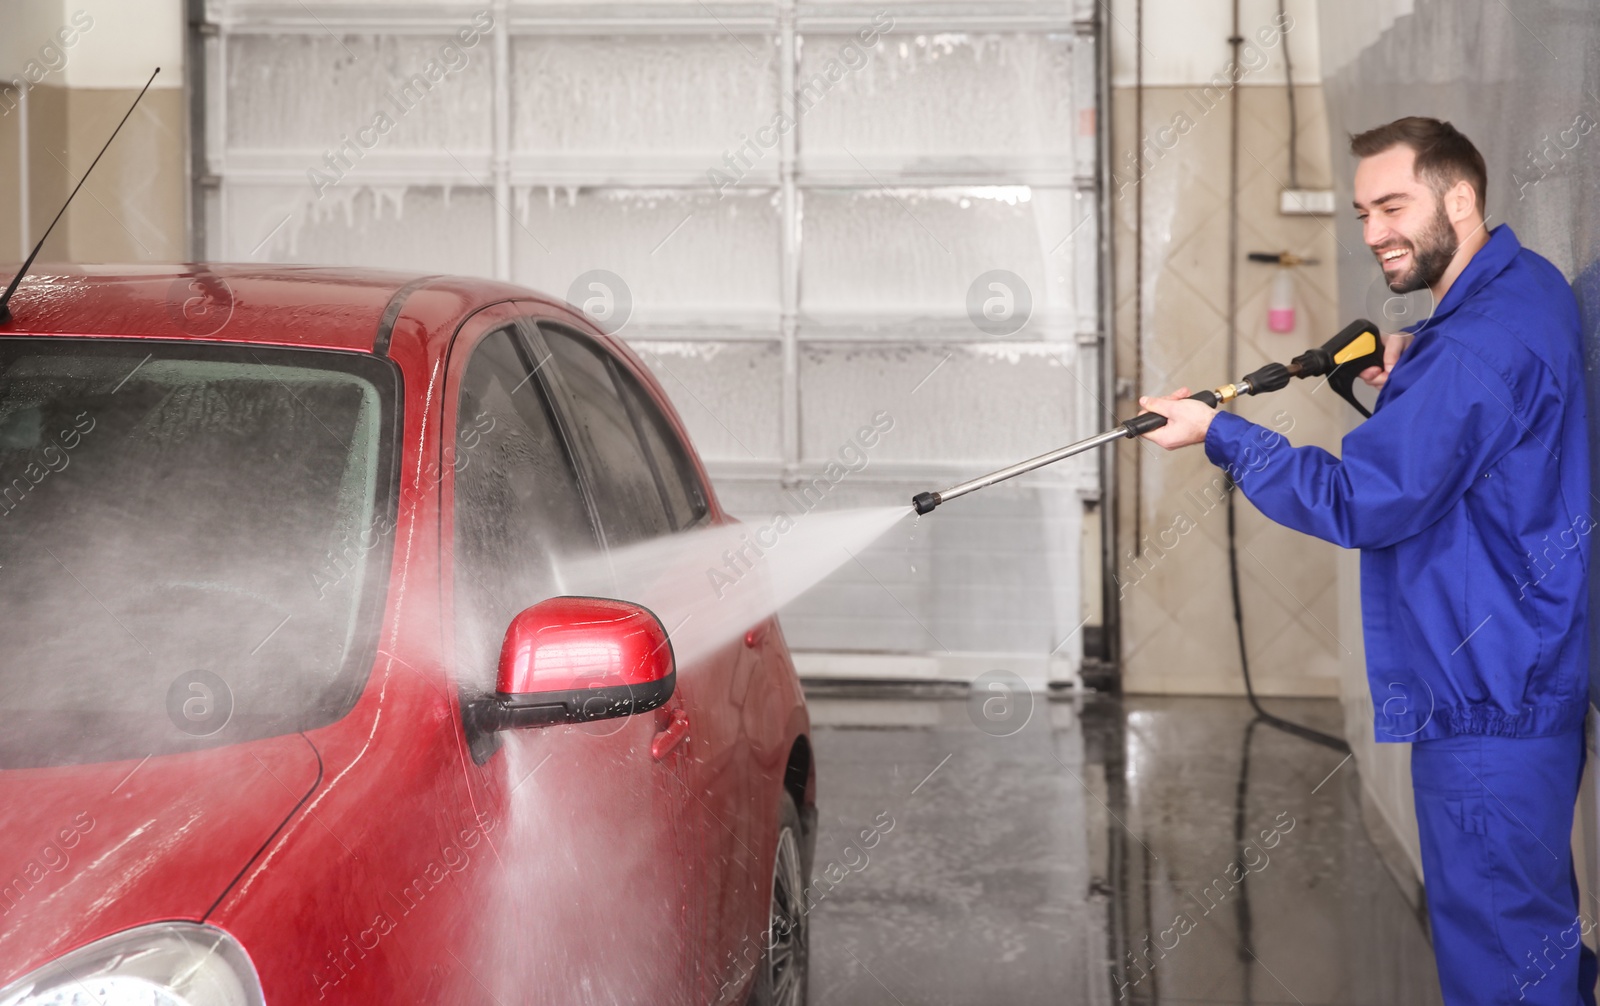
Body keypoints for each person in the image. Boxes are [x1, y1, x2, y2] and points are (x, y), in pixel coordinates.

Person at [1135, 116, 1596, 1006]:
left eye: (1394, 204)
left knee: (1502, 961)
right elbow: (1482, 422)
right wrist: (1415, 364)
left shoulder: (1471, 349)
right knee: (1532, 940)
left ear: (1460, 198)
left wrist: (1220, 432)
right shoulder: (1520, 288)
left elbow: (1363, 502)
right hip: (1523, 675)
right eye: (1361, 211)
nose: (1375, 230)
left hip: (1485, 706)